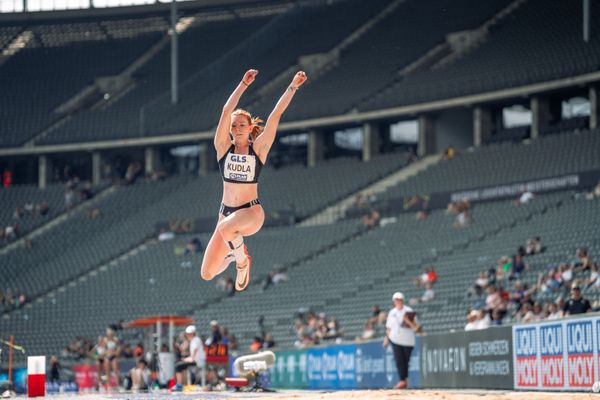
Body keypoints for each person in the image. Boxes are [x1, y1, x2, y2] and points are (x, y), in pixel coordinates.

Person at [200, 69, 308, 291]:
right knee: (207, 273)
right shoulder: (222, 149)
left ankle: (242, 261)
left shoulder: (258, 149)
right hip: (226, 214)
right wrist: (243, 84)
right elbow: (225, 110)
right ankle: (233, 255)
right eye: (234, 126)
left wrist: (293, 86)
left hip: (251, 213)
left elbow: (275, 116)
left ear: (250, 128)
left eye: (242, 125)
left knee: (226, 228)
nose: (237, 129)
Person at [384, 292, 419, 390]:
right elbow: (389, 328)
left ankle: (404, 380)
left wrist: (407, 320)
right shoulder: (392, 312)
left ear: (402, 300)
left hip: (407, 341)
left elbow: (416, 327)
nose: (398, 301)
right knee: (399, 360)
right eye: (396, 300)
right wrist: (386, 339)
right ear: (394, 301)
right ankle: (402, 380)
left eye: (400, 300)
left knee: (405, 361)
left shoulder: (409, 311)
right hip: (395, 339)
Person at [173, 325, 206, 391]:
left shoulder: (195, 341)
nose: (187, 336)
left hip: (198, 362)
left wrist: (184, 359)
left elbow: (192, 358)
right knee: (179, 363)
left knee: (177, 366)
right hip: (196, 361)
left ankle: (179, 385)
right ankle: (180, 384)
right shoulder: (194, 340)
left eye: (188, 334)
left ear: (191, 334)